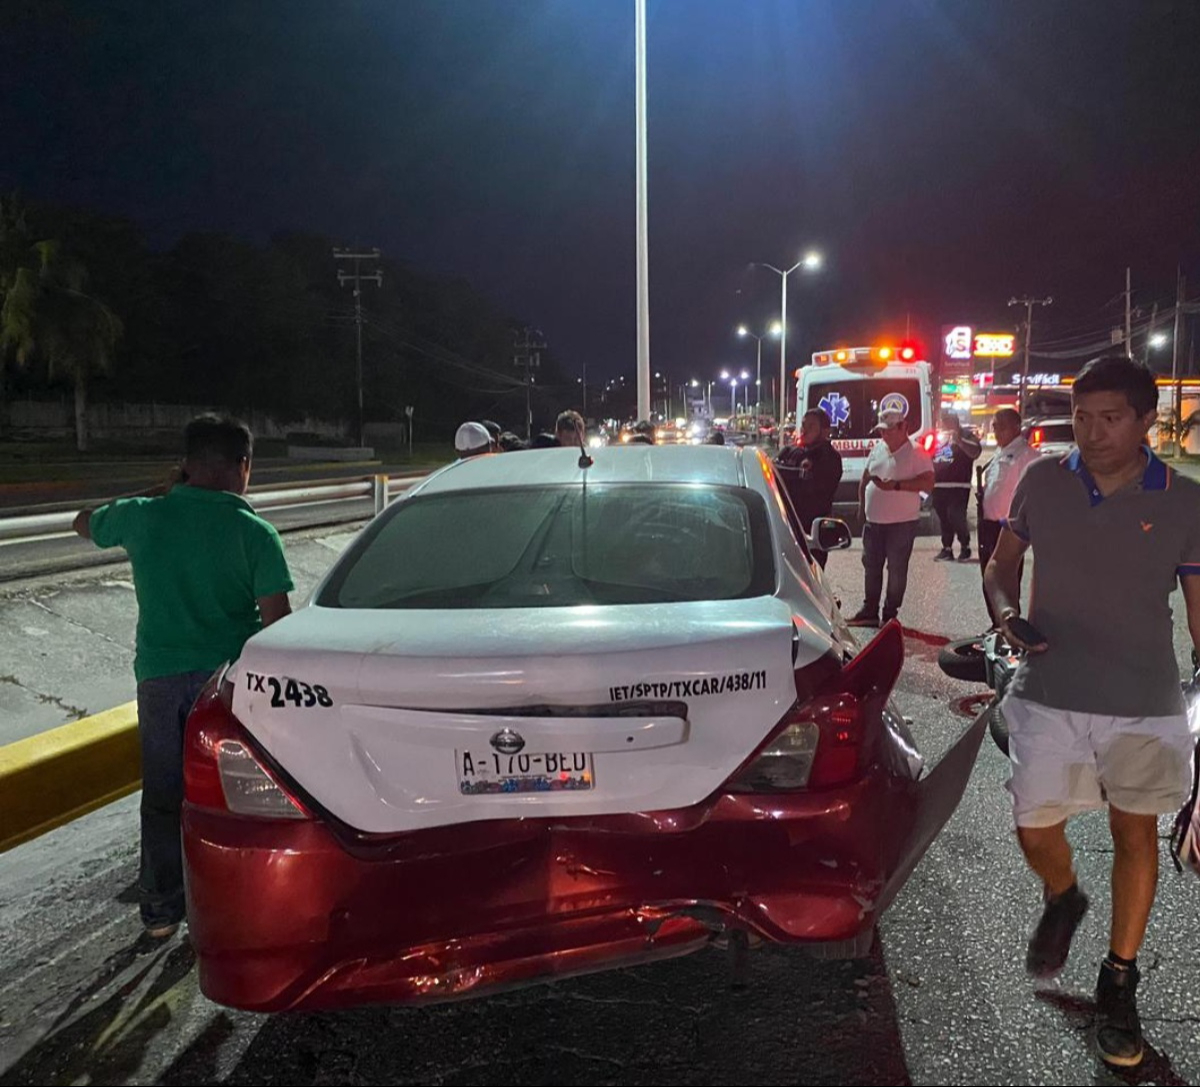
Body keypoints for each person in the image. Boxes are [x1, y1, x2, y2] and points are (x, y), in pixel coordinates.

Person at [985, 355, 1200, 1068]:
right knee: (1033, 821)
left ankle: (1119, 979)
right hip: (1048, 689)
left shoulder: (1185, 499)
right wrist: (1008, 614)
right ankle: (1064, 894)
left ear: (1146, 420)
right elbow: (999, 564)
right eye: (1082, 416)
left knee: (1135, 833)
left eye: (1111, 417)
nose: (1093, 430)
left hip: (1142, 700)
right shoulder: (1045, 479)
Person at [72, 414, 293, 939]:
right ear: (244, 467)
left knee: (164, 793)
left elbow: (83, 521)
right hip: (227, 686)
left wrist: (156, 491)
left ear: (187, 466)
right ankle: (235, 901)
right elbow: (277, 627)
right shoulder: (256, 533)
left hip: (159, 679)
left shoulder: (144, 516)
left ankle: (160, 910)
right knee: (235, 797)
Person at [846, 409, 935, 628]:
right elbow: (866, 477)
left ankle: (889, 613)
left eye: (889, 431)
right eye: (881, 431)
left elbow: (927, 483)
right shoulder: (878, 449)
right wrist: (861, 505)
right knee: (871, 566)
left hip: (901, 523)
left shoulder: (917, 453)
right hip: (873, 521)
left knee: (896, 570)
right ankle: (869, 611)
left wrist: (895, 485)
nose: (884, 435)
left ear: (903, 427)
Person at [977, 407, 1040, 627]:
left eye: (1001, 426)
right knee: (988, 578)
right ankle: (996, 624)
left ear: (1016, 427)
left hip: (1009, 527)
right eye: (994, 426)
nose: (996, 431)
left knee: (1006, 578)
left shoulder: (1027, 455)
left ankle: (1008, 624)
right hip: (989, 524)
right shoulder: (999, 452)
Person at [775, 407, 843, 567]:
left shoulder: (830, 458)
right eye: (804, 424)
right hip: (786, 527)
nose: (805, 429)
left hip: (811, 534)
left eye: (812, 426)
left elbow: (814, 488)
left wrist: (795, 474)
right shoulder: (789, 452)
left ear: (825, 431)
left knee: (811, 577)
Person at [932, 412, 982, 561]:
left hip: (959, 484)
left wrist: (959, 442)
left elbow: (975, 452)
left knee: (956, 515)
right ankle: (947, 549)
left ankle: (965, 546)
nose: (946, 423)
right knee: (944, 518)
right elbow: (933, 456)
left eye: (949, 420)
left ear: (956, 421)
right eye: (944, 420)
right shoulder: (939, 437)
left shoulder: (967, 435)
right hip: (939, 484)